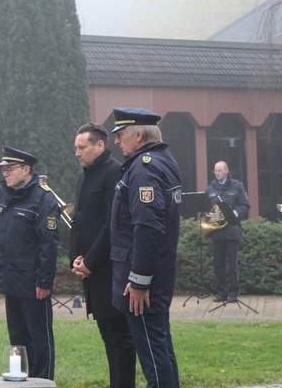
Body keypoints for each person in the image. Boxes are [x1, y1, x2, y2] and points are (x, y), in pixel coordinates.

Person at [0, 146, 60, 380]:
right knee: (18, 338)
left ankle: (43, 382)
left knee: (40, 339)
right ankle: (21, 380)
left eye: (10, 169)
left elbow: (48, 243)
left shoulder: (43, 198)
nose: (5, 174)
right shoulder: (3, 193)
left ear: (26, 169)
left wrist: (44, 281)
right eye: (4, 170)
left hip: (33, 283)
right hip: (11, 280)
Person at [109, 107, 181, 388]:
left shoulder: (144, 168)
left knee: (152, 352)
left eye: (120, 135)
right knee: (161, 348)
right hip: (156, 271)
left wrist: (139, 281)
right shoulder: (162, 160)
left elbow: (148, 228)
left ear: (138, 136)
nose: (117, 141)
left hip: (142, 281)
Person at [70, 123, 136, 388]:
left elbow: (112, 224)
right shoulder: (84, 175)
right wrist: (76, 258)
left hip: (110, 268)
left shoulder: (114, 173)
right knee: (107, 334)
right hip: (91, 269)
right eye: (76, 147)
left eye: (82, 147)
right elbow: (79, 221)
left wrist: (89, 261)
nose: (77, 153)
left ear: (100, 146)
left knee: (120, 335)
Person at [205, 161, 250, 303]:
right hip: (216, 231)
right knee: (218, 264)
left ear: (226, 171)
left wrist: (235, 214)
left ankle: (233, 293)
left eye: (219, 170)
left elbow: (245, 205)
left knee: (232, 264)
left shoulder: (237, 186)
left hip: (232, 230)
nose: (217, 173)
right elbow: (207, 208)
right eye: (215, 171)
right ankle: (221, 293)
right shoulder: (211, 188)